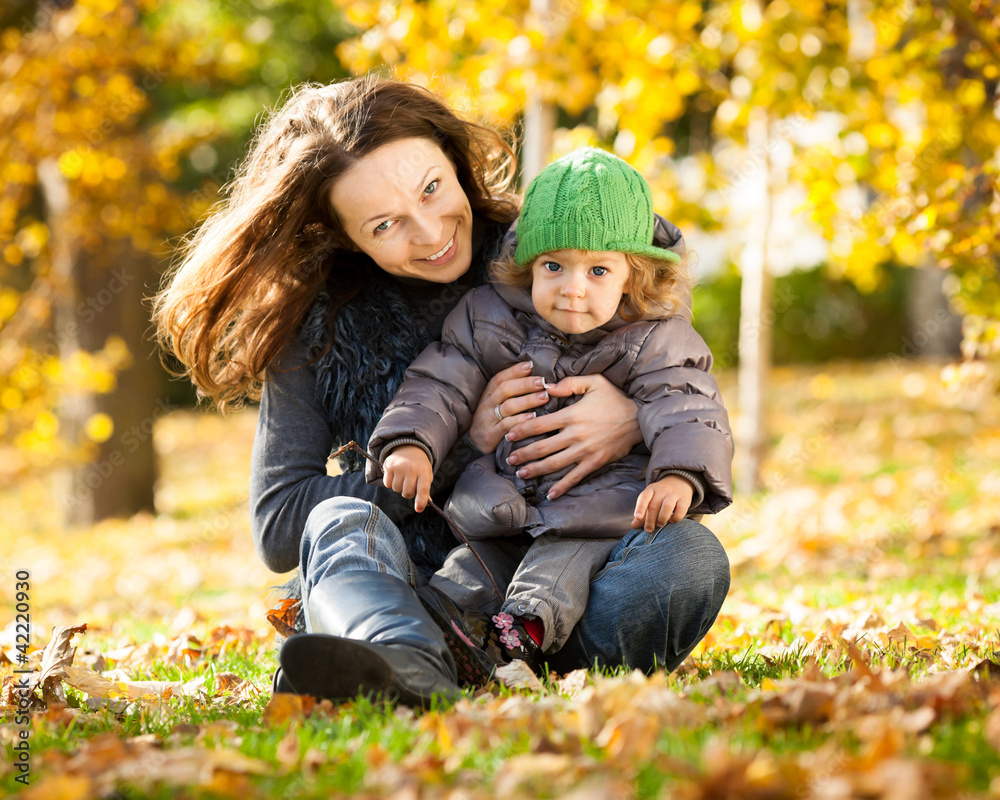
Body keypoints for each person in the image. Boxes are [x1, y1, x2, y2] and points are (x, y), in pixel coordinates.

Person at [153, 75, 731, 706]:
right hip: (409, 585)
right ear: (344, 235)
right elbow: (280, 523)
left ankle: (465, 663)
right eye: (385, 225)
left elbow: (676, 383)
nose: (430, 234)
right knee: (337, 520)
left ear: (456, 163)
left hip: (566, 583)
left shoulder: (550, 248)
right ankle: (406, 655)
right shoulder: (317, 326)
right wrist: (463, 443)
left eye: (432, 189)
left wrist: (627, 419)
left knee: (690, 557)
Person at [367, 148, 733, 681]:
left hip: (595, 518)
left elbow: (690, 406)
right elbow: (438, 382)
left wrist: (681, 473)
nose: (573, 287)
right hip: (503, 513)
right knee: (467, 571)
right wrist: (411, 442)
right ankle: (433, 642)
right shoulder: (487, 318)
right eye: (553, 266)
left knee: (557, 573)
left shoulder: (658, 339)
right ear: (528, 265)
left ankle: (518, 642)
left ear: (632, 277)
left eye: (599, 269)